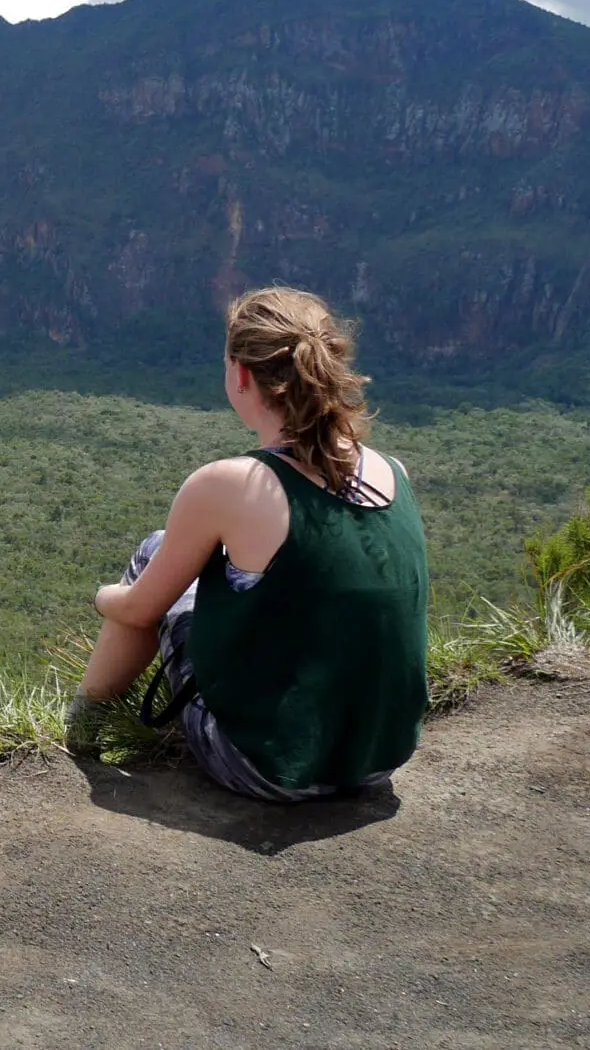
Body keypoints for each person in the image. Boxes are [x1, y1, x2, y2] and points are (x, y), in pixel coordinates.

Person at [66, 288, 428, 801]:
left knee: (155, 551)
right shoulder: (393, 471)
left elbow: (139, 609)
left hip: (265, 765)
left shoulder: (228, 484)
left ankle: (80, 734)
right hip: (378, 761)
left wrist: (102, 595)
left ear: (240, 375)